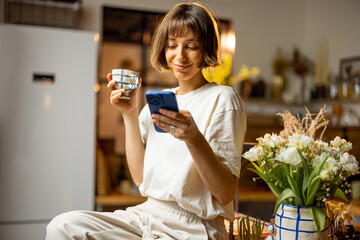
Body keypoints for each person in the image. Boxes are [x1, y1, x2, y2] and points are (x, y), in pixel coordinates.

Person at [46, 2, 246, 239]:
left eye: (191, 46)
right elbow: (141, 180)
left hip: (193, 227)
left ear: (206, 50)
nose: (179, 55)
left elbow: (224, 193)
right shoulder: (159, 103)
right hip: (147, 214)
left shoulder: (222, 99)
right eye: (172, 45)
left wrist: (193, 138)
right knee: (63, 226)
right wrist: (129, 113)